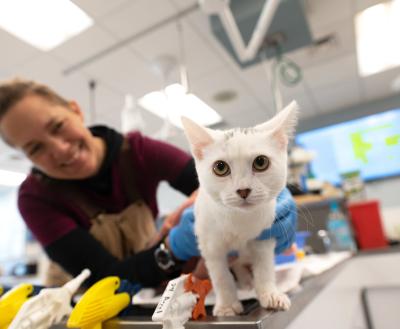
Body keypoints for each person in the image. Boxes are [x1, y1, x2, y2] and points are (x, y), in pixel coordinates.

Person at [0, 78, 297, 287]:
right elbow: (106, 277)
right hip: (85, 301)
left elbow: (216, 186)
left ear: (75, 110)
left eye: (57, 126)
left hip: (152, 282)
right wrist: (173, 249)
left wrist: (267, 204)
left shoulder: (140, 152)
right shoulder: (35, 198)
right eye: (35, 148)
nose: (60, 149)